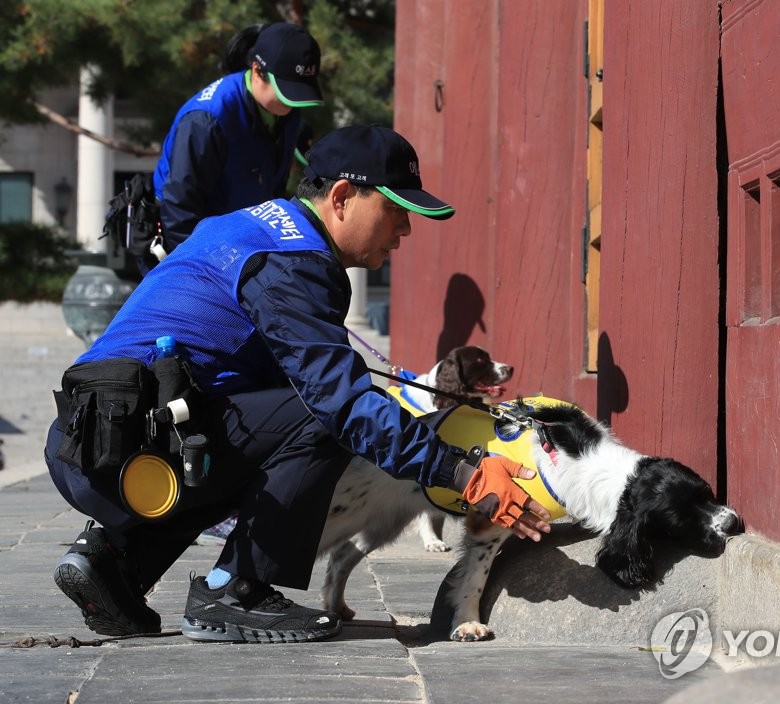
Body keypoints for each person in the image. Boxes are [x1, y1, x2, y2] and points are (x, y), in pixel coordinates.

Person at [45, 124, 552, 644]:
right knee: (321, 420)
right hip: (123, 453)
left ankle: (113, 562)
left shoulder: (250, 228)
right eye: (396, 211)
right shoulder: (292, 262)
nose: (405, 230)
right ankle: (236, 588)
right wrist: (464, 473)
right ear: (341, 197)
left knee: (262, 431)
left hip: (89, 439)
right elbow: (341, 403)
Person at [144, 22, 324, 272]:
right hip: (184, 250)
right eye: (288, 90)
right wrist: (212, 271)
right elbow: (179, 212)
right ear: (257, 70)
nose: (293, 103)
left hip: (239, 243)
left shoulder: (285, 111)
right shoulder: (206, 120)